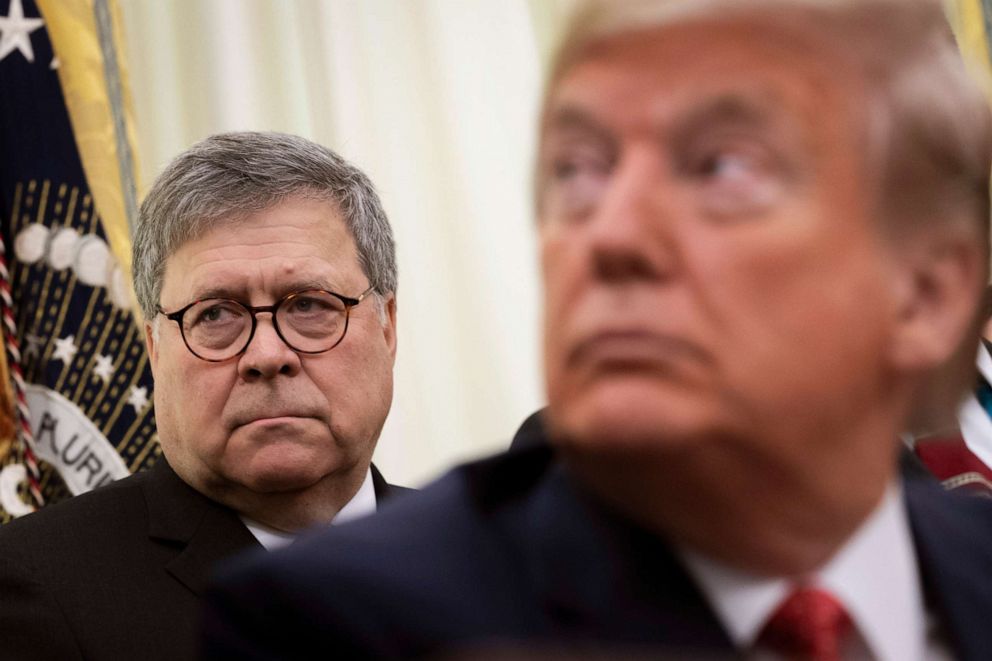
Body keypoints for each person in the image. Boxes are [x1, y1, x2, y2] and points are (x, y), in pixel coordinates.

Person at [203, 1, 992, 658]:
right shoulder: (339, 628)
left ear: (927, 291)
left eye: (720, 165)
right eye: (578, 170)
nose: (607, 235)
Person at [0, 131, 409, 661]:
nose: (266, 354)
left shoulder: (498, 560)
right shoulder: (34, 591)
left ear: (387, 328)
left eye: (309, 305)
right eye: (215, 314)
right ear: (154, 349)